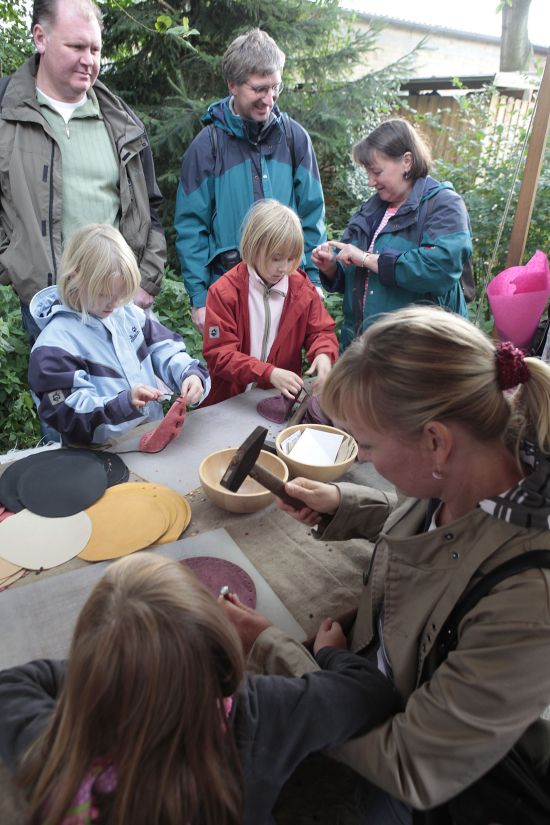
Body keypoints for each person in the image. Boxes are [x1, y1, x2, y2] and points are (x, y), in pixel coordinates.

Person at [223, 306, 550, 823]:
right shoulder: (473, 467)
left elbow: (411, 764)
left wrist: (293, 659)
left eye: (369, 445)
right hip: (368, 680)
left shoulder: (528, 601)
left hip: (423, 790)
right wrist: (343, 504)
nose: (364, 459)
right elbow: (428, 524)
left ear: (436, 441)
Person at [0, 552, 397, 825]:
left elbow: (11, 685)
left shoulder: (51, 754)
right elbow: (371, 692)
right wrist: (326, 653)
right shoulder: (261, 715)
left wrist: (116, 669)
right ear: (221, 659)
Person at [0, 0, 166, 348]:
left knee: (146, 385)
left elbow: (150, 209)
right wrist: (14, 264)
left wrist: (145, 280)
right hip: (50, 309)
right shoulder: (7, 113)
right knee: (63, 387)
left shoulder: (122, 121)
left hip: (122, 305)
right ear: (40, 38)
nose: (88, 60)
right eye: (76, 46)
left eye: (95, 49)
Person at [174, 28, 327, 335]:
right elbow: (191, 226)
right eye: (259, 89)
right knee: (231, 365)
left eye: (275, 88)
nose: (269, 99)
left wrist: (314, 279)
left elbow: (312, 215)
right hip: (229, 295)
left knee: (283, 366)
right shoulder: (207, 146)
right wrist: (199, 297)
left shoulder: (294, 139)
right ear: (233, 85)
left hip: (287, 291)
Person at [28, 224, 209, 450]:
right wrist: (124, 404)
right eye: (104, 294)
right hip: (98, 456)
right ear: (75, 279)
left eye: (122, 294)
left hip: (150, 437)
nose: (114, 303)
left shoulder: (128, 313)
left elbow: (165, 349)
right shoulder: (54, 347)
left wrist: (189, 374)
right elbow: (69, 415)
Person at [312, 118, 473, 351]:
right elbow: (354, 274)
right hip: (363, 350)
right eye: (368, 172)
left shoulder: (445, 205)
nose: (370, 182)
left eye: (376, 171)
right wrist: (332, 268)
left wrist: (366, 258)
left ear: (406, 161)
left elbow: (439, 267)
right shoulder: (371, 210)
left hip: (417, 354)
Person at [202, 199, 338, 407]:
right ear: (254, 247)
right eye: (276, 258)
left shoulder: (301, 289)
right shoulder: (224, 292)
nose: (283, 267)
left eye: (291, 259)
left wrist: (324, 353)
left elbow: (320, 331)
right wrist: (268, 372)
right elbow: (219, 353)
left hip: (278, 401)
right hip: (230, 402)